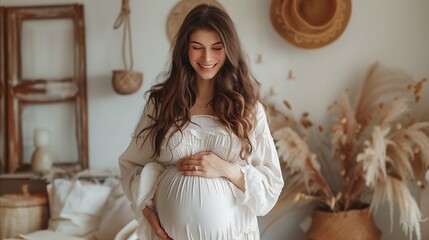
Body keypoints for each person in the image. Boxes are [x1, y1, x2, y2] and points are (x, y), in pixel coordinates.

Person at [119, 4, 284, 240]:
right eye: (197, 47)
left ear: (230, 50)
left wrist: (225, 168)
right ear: (185, 50)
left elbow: (271, 186)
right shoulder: (162, 104)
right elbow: (130, 166)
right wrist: (146, 210)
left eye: (217, 48)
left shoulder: (247, 109)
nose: (207, 58)